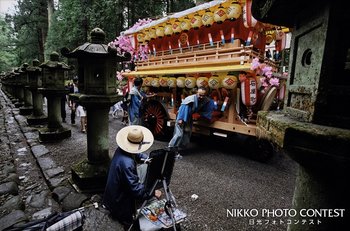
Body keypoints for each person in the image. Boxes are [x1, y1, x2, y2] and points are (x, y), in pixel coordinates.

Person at [103, 125, 162, 230]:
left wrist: (146, 159)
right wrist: (152, 192)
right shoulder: (127, 163)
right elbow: (136, 190)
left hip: (111, 195)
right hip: (119, 202)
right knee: (133, 223)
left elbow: (137, 154)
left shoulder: (122, 150)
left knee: (144, 168)